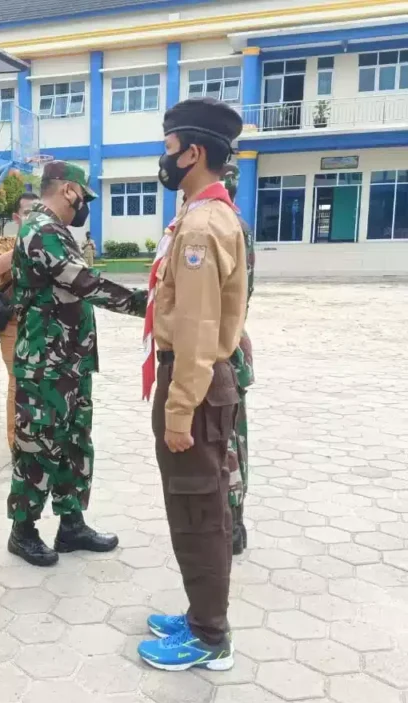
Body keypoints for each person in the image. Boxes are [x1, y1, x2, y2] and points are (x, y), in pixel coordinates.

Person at [137, 98, 247, 671]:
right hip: (199, 379)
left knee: (198, 510)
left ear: (194, 152)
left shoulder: (203, 225)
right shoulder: (206, 213)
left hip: (194, 381)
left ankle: (209, 637)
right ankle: (201, 611)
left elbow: (202, 329)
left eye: (169, 147)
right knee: (195, 506)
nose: (165, 157)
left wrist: (179, 411)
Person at [7, 161, 147, 567]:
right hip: (45, 365)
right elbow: (85, 282)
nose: (84, 206)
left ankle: (71, 524)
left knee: (73, 445)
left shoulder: (57, 231)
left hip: (69, 361)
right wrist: (147, 304)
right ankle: (23, 530)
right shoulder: (41, 230)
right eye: (84, 197)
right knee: (38, 447)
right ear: (69, 190)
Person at [0, 192, 39, 452]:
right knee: (17, 382)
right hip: (12, 326)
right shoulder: (5, 243)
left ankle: (37, 438)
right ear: (17, 217)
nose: (34, 218)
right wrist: (25, 243)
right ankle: (15, 444)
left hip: (41, 325)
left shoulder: (47, 241)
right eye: (29, 212)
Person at [222, 163, 255, 556]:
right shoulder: (241, 226)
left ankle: (227, 526)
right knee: (236, 440)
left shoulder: (216, 227)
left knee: (223, 442)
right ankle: (236, 522)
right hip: (234, 348)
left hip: (218, 355)